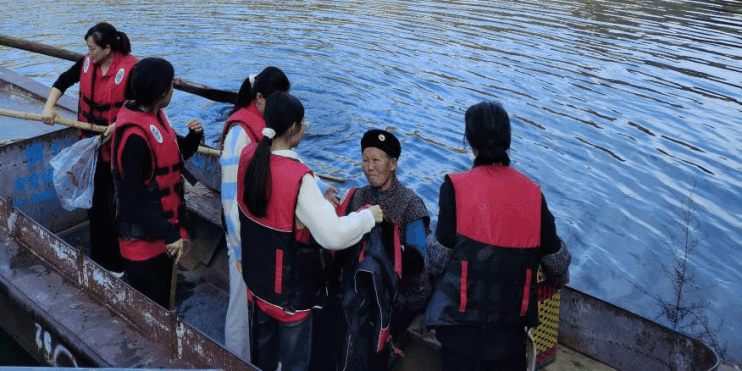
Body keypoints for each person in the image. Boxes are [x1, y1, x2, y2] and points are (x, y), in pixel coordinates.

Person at [238, 92, 385, 371]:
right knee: (294, 362)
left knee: (262, 356)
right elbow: (335, 236)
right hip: (288, 294)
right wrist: (367, 217)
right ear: (294, 128)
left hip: (257, 282)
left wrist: (317, 198)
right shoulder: (298, 179)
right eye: (303, 123)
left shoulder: (249, 156)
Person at [424, 101, 571, 371]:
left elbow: (437, 261)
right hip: (509, 340)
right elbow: (558, 264)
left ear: (469, 140)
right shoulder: (532, 193)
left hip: (459, 336)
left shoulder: (454, 187)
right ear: (508, 140)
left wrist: (429, 242)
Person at [41, 22, 138, 273]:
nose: (89, 52)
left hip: (117, 150)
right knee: (95, 207)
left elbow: (141, 105)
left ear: (108, 48)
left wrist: (118, 124)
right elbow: (63, 81)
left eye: (92, 48)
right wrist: (48, 107)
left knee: (113, 206)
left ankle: (119, 263)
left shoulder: (129, 69)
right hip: (91, 145)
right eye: (87, 47)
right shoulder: (87, 63)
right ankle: (100, 258)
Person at [111, 57, 203, 305]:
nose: (172, 90)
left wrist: (194, 138)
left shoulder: (156, 116)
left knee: (165, 299)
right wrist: (170, 232)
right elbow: (132, 201)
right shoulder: (135, 140)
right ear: (162, 92)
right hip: (143, 245)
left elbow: (175, 153)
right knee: (155, 306)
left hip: (162, 237)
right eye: (172, 86)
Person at [219, 66, 291, 360]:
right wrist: (239, 247)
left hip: (261, 229)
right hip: (244, 234)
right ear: (259, 99)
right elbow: (229, 198)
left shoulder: (265, 125)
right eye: (277, 101)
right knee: (239, 300)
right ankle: (236, 358)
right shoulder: (240, 133)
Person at [336, 129, 432, 341]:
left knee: (370, 328)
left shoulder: (411, 204)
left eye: (376, 160)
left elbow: (417, 259)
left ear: (393, 164)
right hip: (366, 282)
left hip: (404, 291)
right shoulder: (359, 196)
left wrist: (382, 253)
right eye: (365, 160)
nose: (369, 168)